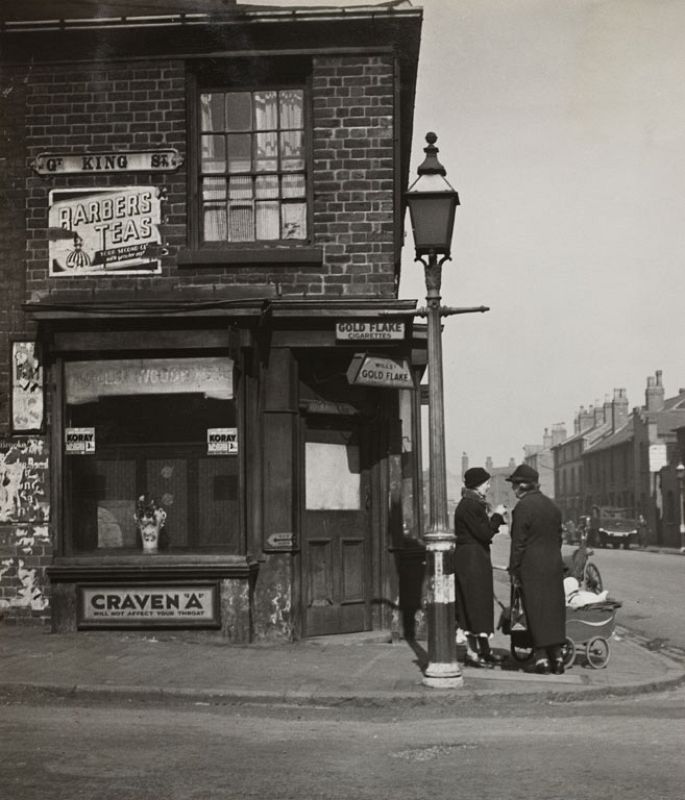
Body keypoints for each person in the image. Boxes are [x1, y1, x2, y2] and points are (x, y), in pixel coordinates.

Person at [506, 463, 566, 675]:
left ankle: (541, 660)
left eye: (514, 485)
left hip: (531, 567)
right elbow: (559, 538)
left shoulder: (523, 508)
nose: (513, 490)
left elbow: (518, 542)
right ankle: (558, 658)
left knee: (533, 611)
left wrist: (514, 569)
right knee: (552, 611)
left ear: (523, 485)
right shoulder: (552, 506)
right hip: (553, 565)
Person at [454, 466, 506, 668]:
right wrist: (497, 515)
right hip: (471, 562)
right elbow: (485, 534)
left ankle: (483, 651)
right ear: (477, 485)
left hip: (474, 560)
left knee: (478, 604)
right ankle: (473, 654)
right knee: (474, 605)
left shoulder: (472, 504)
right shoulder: (470, 506)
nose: (489, 486)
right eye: (486, 483)